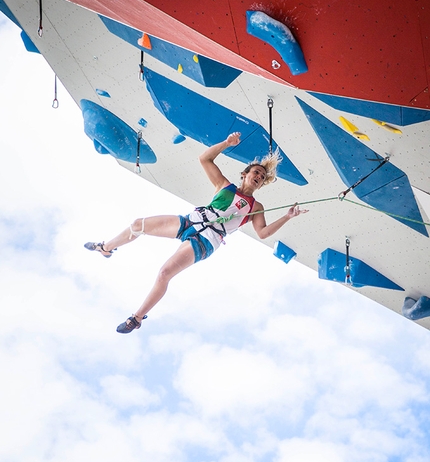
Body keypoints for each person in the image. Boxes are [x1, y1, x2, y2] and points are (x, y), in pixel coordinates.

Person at [84, 132, 308, 333]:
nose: (258, 176)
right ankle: (106, 248)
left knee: (164, 273)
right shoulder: (224, 185)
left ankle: (137, 318)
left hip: (207, 239)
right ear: (245, 173)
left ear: (262, 183)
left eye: (261, 176)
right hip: (190, 222)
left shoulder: (255, 207)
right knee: (137, 225)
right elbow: (205, 159)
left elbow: (263, 233)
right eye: (255, 172)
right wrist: (226, 143)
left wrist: (287, 217)